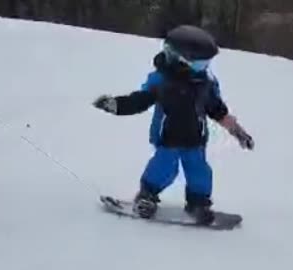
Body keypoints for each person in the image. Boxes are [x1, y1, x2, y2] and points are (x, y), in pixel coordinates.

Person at [93, 25, 254, 225]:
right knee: (164, 168)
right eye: (199, 64)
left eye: (207, 63)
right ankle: (147, 196)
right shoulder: (162, 82)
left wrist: (239, 132)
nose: (204, 68)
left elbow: (219, 112)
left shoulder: (205, 85)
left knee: (200, 172)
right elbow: (139, 101)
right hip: (168, 136)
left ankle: (198, 203)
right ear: (181, 61)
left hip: (195, 138)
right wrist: (116, 105)